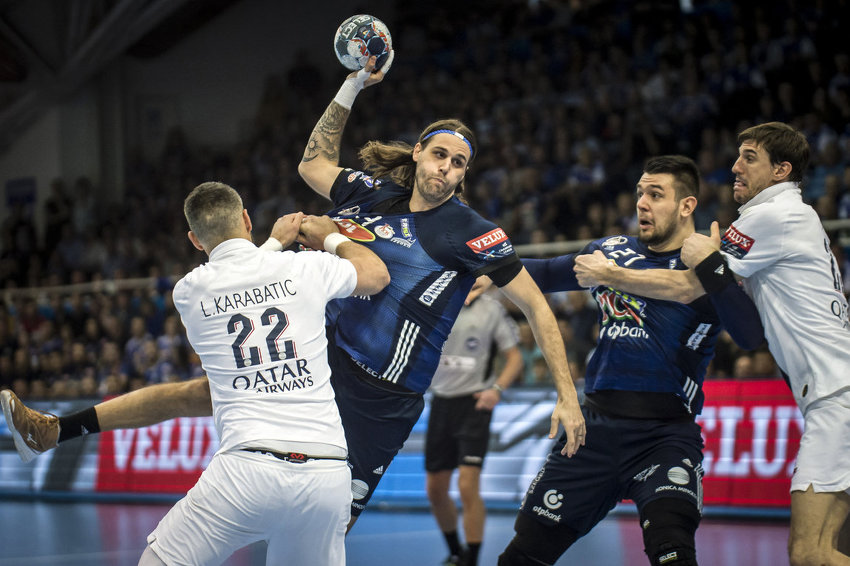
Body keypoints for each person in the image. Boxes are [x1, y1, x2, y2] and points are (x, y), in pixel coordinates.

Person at [1, 55, 585, 532]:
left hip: (382, 398)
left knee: (328, 525)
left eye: (459, 164)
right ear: (418, 152)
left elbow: (536, 305)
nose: (448, 168)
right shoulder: (372, 194)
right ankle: (57, 429)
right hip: (321, 358)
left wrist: (567, 395)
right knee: (199, 393)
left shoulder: (471, 233)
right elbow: (313, 163)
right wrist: (353, 83)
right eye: (440, 154)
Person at [496, 156, 765, 566]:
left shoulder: (705, 268)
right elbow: (545, 274)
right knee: (523, 556)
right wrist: (482, 268)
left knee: (673, 551)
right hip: (592, 432)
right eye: (641, 193)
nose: (642, 203)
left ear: (686, 206)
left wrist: (713, 267)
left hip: (665, 437)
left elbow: (750, 336)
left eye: (656, 195)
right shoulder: (610, 251)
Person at [136, 182, 387, 565]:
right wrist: (332, 239)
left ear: (194, 240)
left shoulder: (189, 291)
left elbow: (239, 274)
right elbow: (376, 274)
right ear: (246, 219)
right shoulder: (305, 267)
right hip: (326, 473)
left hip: (247, 469)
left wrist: (272, 243)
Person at [675, 122, 850, 566]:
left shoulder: (772, 216)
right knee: (831, 550)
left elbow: (690, 284)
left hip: (836, 399)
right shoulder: (790, 217)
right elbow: (748, 330)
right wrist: (711, 266)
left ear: (781, 170)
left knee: (808, 554)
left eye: (749, 157)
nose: (734, 166)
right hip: (834, 394)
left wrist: (611, 274)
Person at [425, 291, 523, 566]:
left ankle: (473, 559)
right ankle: (456, 552)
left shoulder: (491, 309)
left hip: (474, 405)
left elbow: (515, 357)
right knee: (435, 489)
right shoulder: (437, 301)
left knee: (468, 485)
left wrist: (497, 388)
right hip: (441, 403)